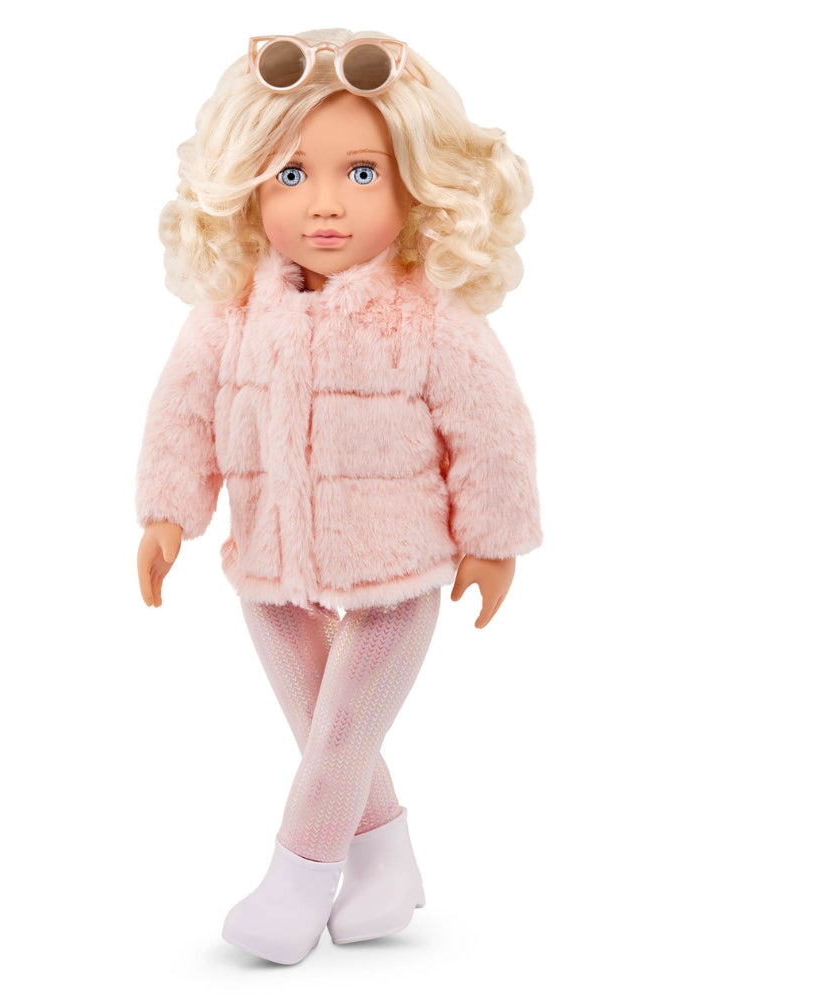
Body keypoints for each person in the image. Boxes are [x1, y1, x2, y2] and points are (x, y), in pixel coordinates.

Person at [136, 29, 542, 964]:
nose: (324, 204)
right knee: (321, 723)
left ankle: (297, 877)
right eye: (291, 175)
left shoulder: (428, 315)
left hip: (397, 568)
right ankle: (387, 866)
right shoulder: (231, 314)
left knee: (344, 726)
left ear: (416, 182)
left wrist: (492, 538)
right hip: (267, 558)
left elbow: (492, 428)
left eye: (361, 174)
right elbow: (182, 412)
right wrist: (168, 513)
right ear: (245, 185)